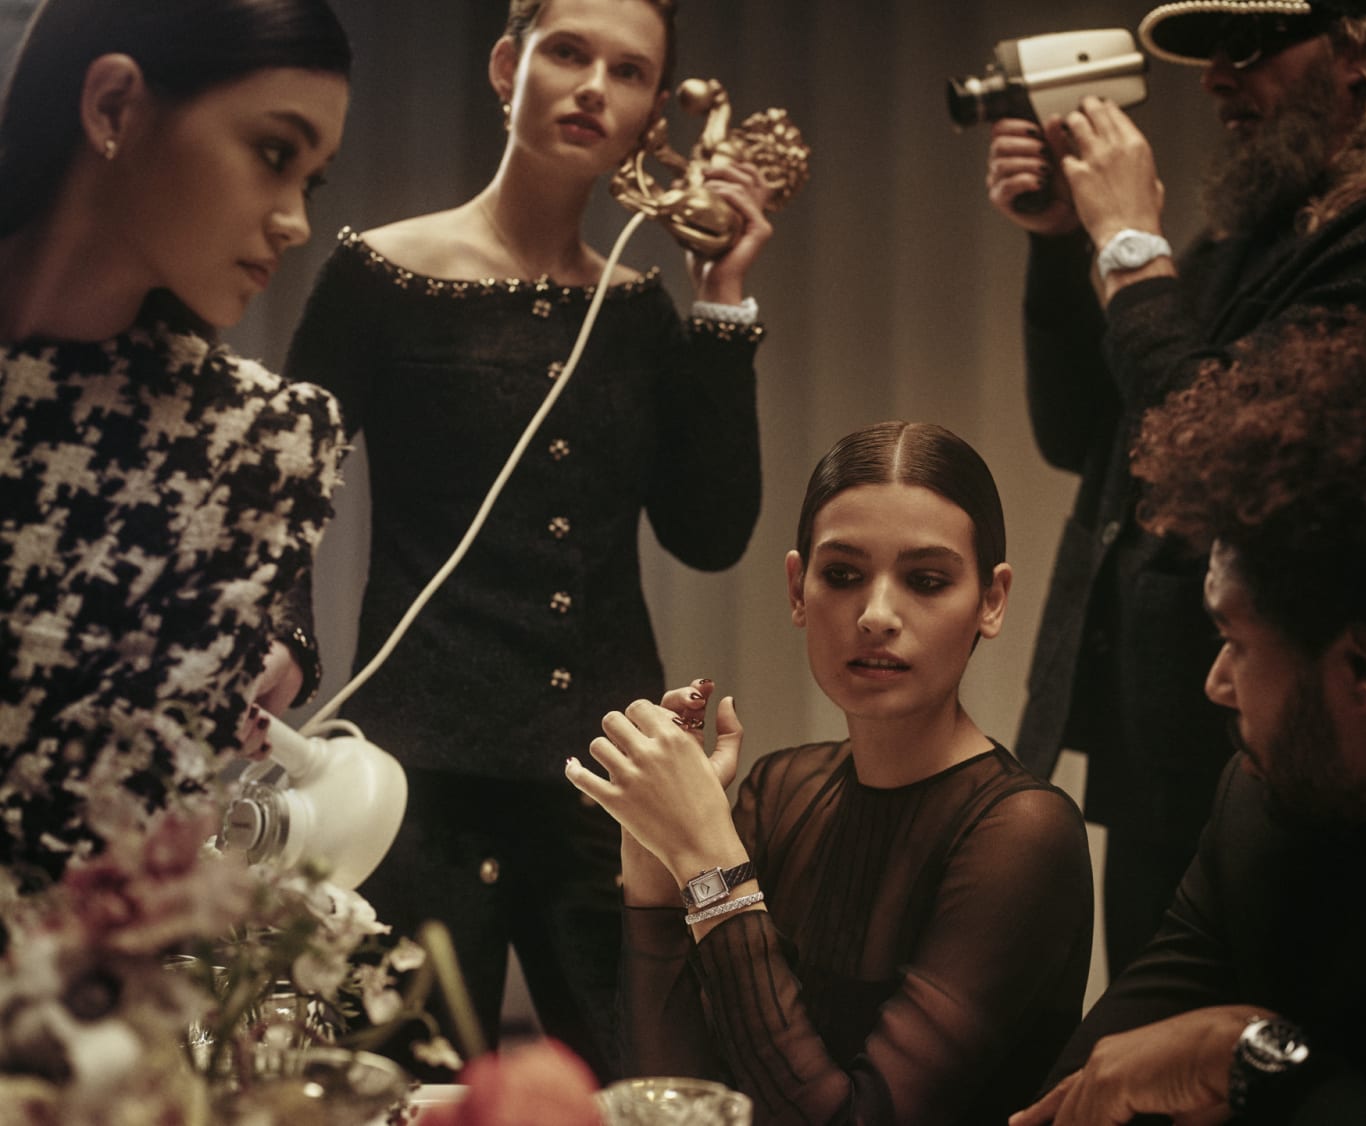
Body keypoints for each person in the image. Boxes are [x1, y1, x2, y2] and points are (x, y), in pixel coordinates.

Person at [282, 0, 775, 1078]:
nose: (595, 85)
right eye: (568, 52)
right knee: (398, 1080)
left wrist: (722, 299)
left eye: (629, 71)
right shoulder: (380, 277)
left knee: (638, 1079)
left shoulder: (639, 311)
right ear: (508, 66)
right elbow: (278, 492)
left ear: (653, 116)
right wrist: (283, 646)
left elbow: (711, 532)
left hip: (605, 776)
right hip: (417, 776)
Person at [984, 0, 1366, 976]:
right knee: (1145, 1023)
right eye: (1212, 53)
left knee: (1237, 1033)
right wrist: (1061, 244)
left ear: (1361, 53)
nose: (1219, 77)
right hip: (1162, 742)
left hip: (1285, 752)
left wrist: (1130, 244)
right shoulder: (1248, 241)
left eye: (1250, 45)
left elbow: (1217, 447)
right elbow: (1085, 437)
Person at [1009, 308, 1366, 1126]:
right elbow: (1073, 1103)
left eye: (1234, 641)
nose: (1216, 684)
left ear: (1360, 666)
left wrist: (1244, 1056)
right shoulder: (1259, 812)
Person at [568, 422, 1095, 1124]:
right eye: (842, 575)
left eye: (926, 581)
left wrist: (706, 855)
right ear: (798, 587)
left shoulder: (1024, 834)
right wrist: (655, 860)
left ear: (991, 601)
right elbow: (673, 1107)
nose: (876, 615)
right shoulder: (780, 790)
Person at [0, 0, 350, 894]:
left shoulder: (257, 446)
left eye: (311, 181)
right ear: (113, 106)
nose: (296, 222)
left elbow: (104, 841)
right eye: (274, 152)